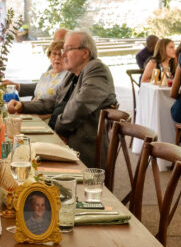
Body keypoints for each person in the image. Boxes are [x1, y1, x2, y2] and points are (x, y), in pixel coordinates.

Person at [8, 31, 117, 168]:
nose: (63, 54)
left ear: (85, 53)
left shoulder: (96, 69)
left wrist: (58, 130)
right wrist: (22, 106)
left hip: (81, 147)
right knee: (18, 146)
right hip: (63, 139)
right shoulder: (71, 76)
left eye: (68, 49)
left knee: (22, 154)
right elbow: (52, 101)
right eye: (62, 50)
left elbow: (80, 105)